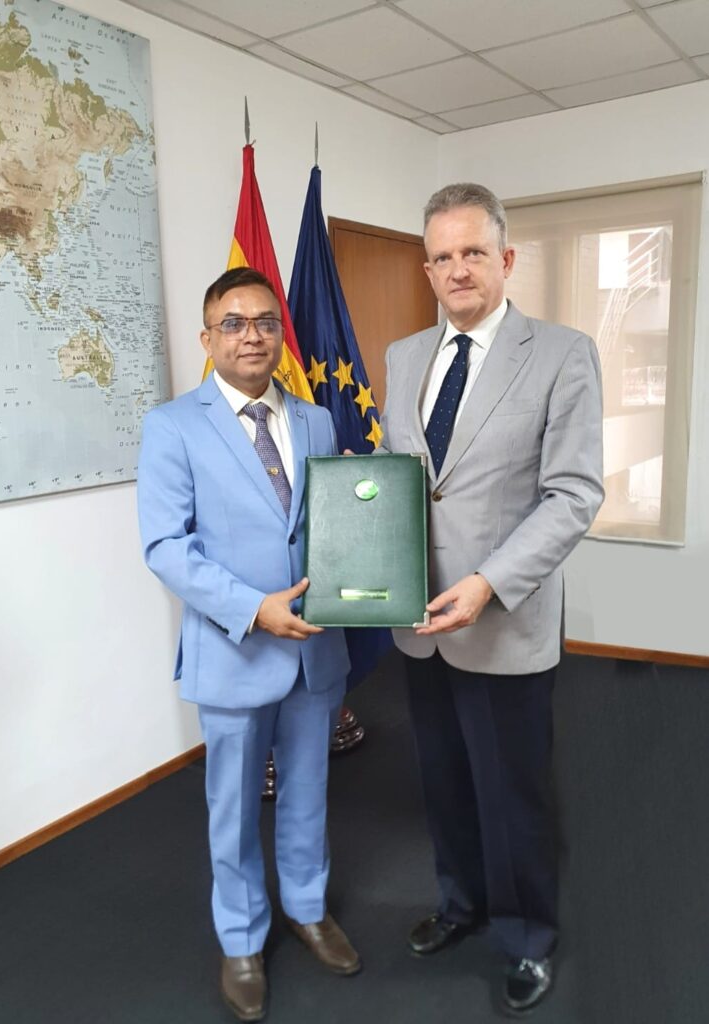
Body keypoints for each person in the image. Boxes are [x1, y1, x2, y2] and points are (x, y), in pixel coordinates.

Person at [378, 183, 604, 1015]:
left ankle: (526, 936)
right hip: (418, 622)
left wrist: (489, 583)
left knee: (512, 794)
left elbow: (573, 494)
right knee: (443, 781)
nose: (456, 269)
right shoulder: (403, 356)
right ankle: (461, 903)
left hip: (502, 620)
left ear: (505, 258)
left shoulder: (561, 354)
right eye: (440, 256)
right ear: (426, 269)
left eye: (472, 252)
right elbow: (402, 480)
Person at [137, 267, 360, 1022]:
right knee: (231, 808)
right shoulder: (173, 426)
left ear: (279, 335)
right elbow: (166, 547)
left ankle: (307, 908)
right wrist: (253, 610)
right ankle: (240, 939)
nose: (252, 335)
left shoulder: (317, 421)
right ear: (208, 339)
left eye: (266, 321)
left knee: (309, 790)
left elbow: (325, 527)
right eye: (233, 323)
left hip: (316, 650)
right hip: (233, 651)